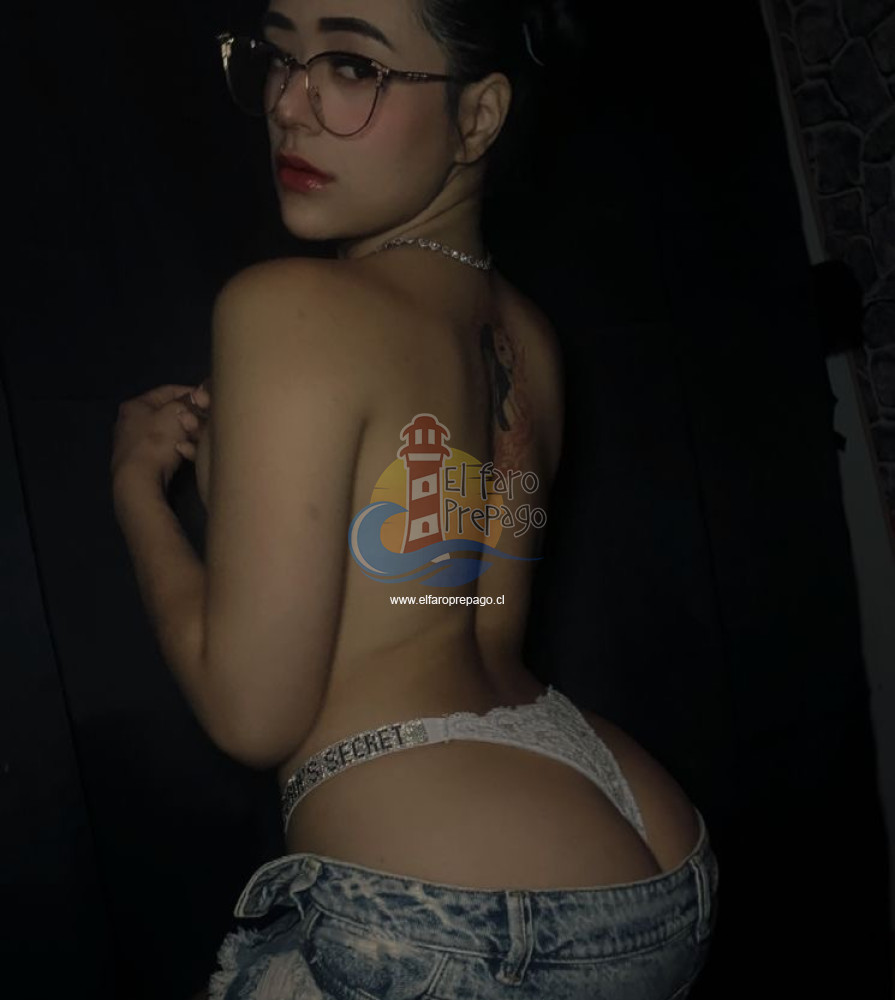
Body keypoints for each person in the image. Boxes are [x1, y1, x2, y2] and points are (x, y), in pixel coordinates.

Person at [111, 0, 720, 997]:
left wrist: (138, 491)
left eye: (353, 66)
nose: (290, 104)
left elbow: (251, 710)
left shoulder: (285, 306)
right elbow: (455, 606)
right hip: (648, 861)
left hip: (454, 916)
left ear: (477, 117)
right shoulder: (525, 335)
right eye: (280, 56)